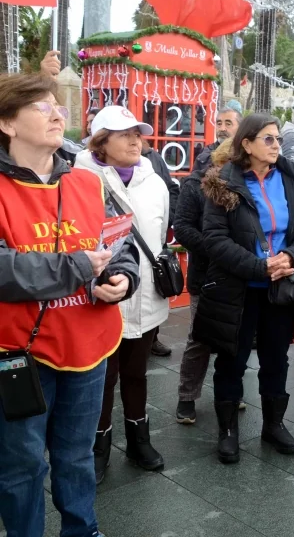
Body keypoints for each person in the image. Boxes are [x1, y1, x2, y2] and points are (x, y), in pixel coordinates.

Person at [0, 74, 139, 537]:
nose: (58, 115)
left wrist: (121, 278)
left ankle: (83, 529)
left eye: (58, 107)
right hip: (20, 353)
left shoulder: (89, 182)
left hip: (89, 345)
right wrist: (78, 266)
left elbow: (120, 243)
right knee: (21, 466)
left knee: (77, 456)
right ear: (7, 124)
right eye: (42, 108)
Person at [193, 113, 294, 464]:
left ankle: (273, 425)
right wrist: (259, 266)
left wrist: (291, 257)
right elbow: (214, 239)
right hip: (237, 288)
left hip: (280, 288)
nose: (277, 145)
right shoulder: (223, 182)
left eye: (278, 139)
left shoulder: (291, 178)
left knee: (276, 359)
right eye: (268, 139)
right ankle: (228, 431)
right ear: (246, 144)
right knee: (231, 361)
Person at [76, 106, 172, 482]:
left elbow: (160, 236)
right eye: (124, 135)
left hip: (145, 294)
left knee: (136, 371)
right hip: (99, 299)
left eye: (137, 134)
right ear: (101, 142)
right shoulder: (79, 179)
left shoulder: (155, 181)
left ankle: (138, 439)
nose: (135, 141)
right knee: (103, 376)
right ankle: (99, 445)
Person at [173, 140, 233, 423]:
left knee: (235, 338)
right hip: (206, 274)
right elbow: (183, 228)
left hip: (238, 273)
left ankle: (230, 391)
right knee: (199, 338)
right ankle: (187, 396)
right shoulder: (194, 185)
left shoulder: (245, 183)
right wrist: (217, 248)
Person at [192, 107, 243, 172]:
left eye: (228, 124)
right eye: (219, 124)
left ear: (240, 128)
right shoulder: (205, 152)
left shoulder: (245, 153)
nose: (222, 129)